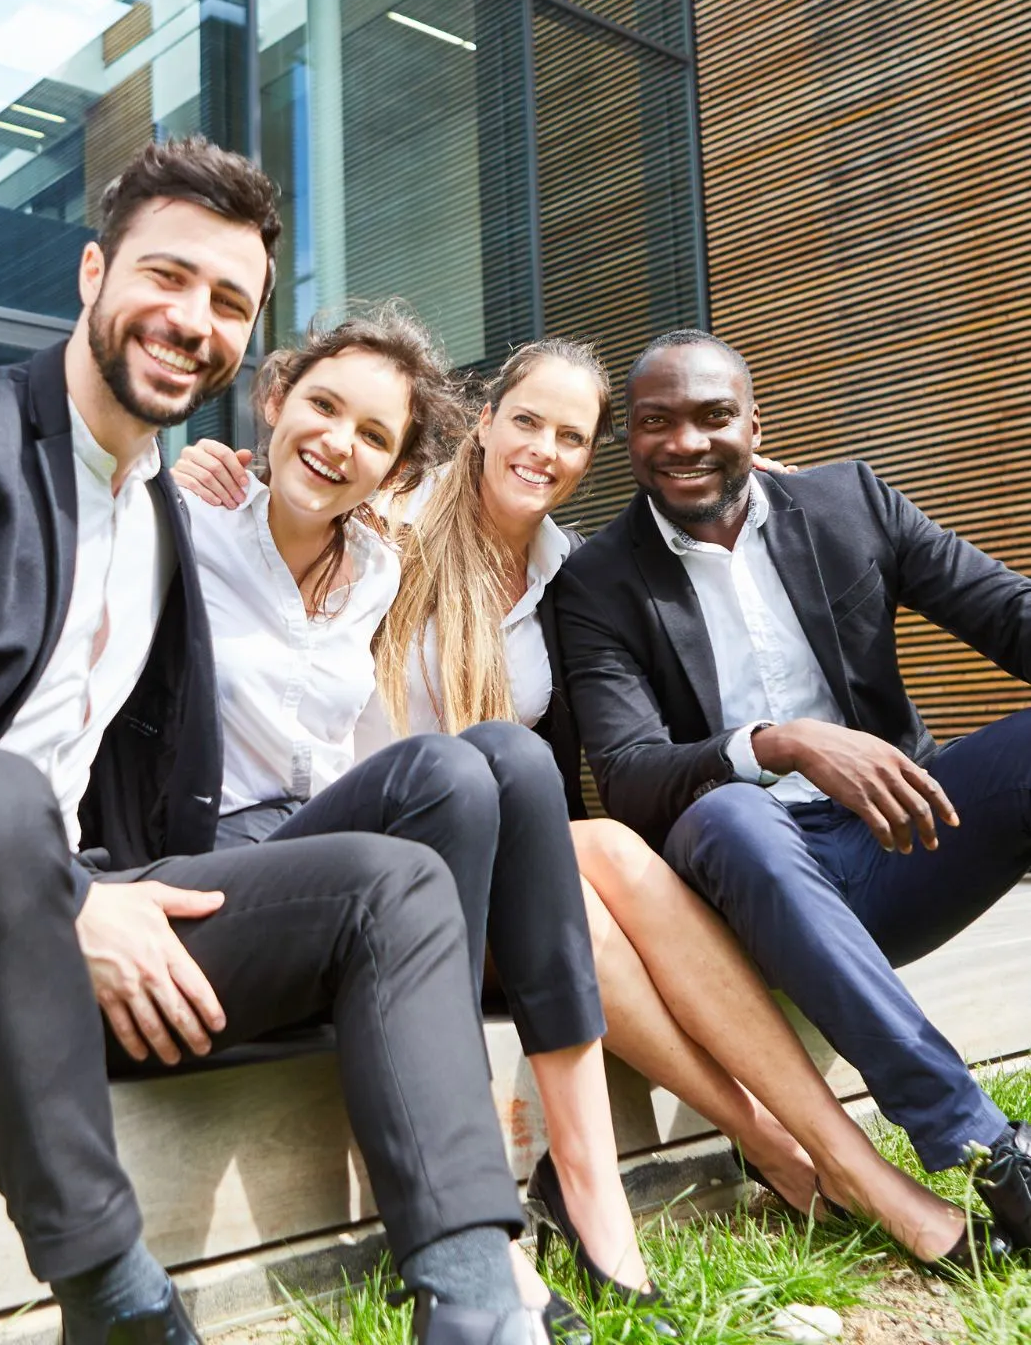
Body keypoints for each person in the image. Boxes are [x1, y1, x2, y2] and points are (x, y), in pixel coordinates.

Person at [0, 138, 546, 1345]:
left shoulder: (163, 520)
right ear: (94, 271)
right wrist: (69, 899)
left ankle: (479, 1305)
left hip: (75, 920)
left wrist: (111, 897)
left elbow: (160, 812)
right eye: (167, 276)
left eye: (229, 301)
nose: (190, 319)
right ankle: (121, 1305)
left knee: (399, 881)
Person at [183, 337, 993, 1282]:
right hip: (365, 858)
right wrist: (221, 464)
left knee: (591, 845)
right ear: (480, 424)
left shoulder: (568, 574)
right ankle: (793, 1148)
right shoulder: (386, 524)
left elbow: (573, 766)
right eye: (525, 421)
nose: (542, 449)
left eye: (570, 436)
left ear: (590, 457)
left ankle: (813, 1159)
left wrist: (776, 490)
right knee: (576, 838)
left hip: (489, 863)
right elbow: (303, 490)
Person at [172, 311, 674, 1341]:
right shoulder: (180, 529)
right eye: (321, 408)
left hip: (318, 839)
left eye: (372, 434)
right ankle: (480, 1239)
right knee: (458, 769)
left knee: (506, 758)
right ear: (271, 403)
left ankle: (588, 1182)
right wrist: (186, 468)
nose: (338, 443)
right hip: (205, 858)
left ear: (395, 467)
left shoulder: (378, 565)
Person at [553, 325, 1031, 1257]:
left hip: (901, 842)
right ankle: (986, 1150)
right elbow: (631, 777)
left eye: (710, 417)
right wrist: (782, 744)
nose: (684, 442)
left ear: (754, 422)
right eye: (654, 422)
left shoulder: (848, 501)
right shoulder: (598, 583)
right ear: (630, 441)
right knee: (731, 811)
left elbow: (1005, 614)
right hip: (738, 896)